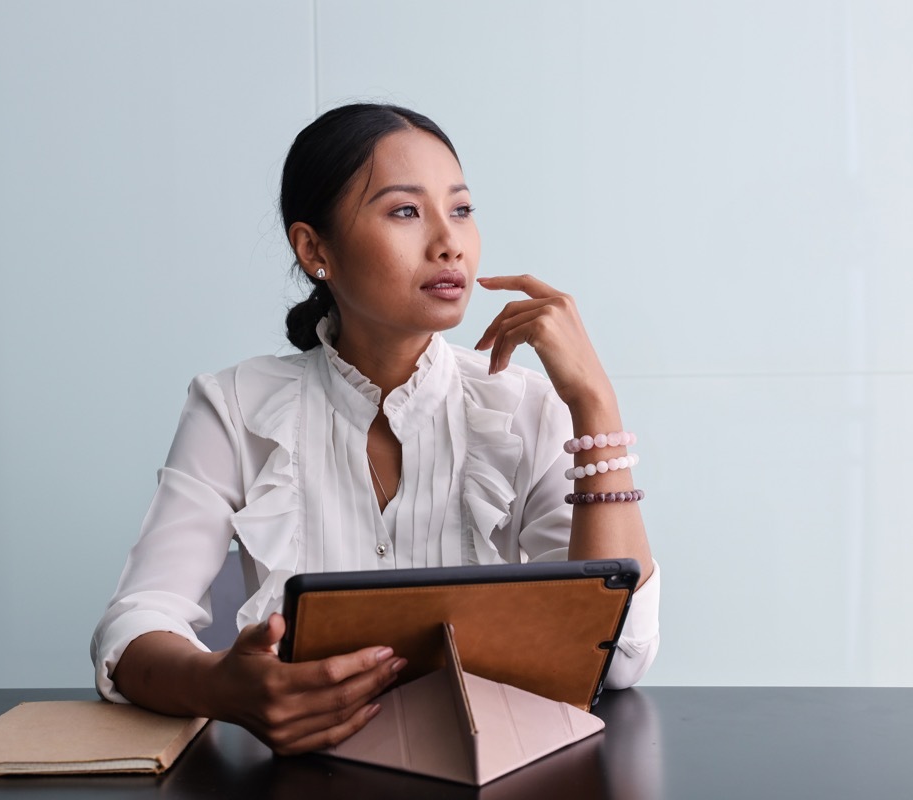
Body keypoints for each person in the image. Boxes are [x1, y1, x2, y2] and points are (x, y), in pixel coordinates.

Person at [91, 103, 660, 756]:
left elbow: (619, 657)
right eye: (405, 211)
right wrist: (223, 687)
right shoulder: (233, 405)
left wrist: (595, 403)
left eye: (462, 209)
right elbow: (133, 625)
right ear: (314, 249)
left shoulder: (529, 406)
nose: (450, 242)